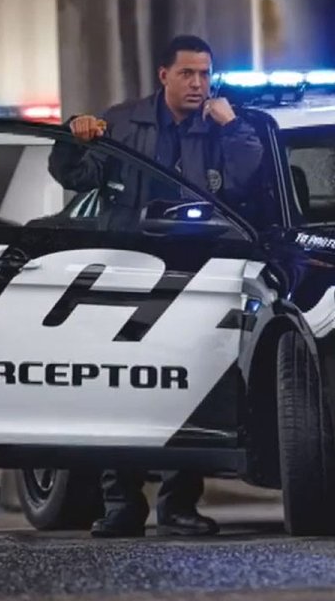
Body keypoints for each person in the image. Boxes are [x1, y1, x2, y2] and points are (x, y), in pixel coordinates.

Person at [52, 34, 265, 538]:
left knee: (185, 383)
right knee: (118, 387)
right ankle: (121, 504)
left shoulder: (219, 126)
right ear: (163, 75)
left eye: (205, 74)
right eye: (188, 73)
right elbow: (78, 176)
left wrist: (232, 126)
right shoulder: (124, 122)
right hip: (124, 268)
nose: (198, 84)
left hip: (193, 269)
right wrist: (72, 136)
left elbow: (247, 179)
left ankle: (178, 506)